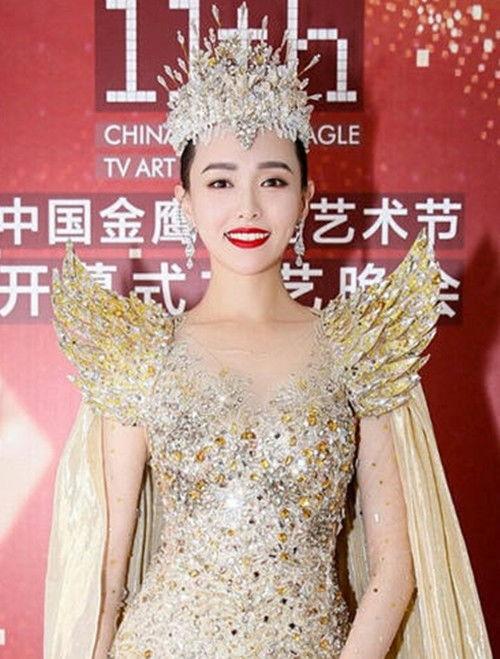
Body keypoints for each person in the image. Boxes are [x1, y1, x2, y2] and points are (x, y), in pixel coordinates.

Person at [44, 3, 492, 658]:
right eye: (221, 181)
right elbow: (105, 574)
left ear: (306, 198)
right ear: (185, 201)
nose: (248, 208)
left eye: (273, 180)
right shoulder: (140, 355)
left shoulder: (358, 350)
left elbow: (395, 569)